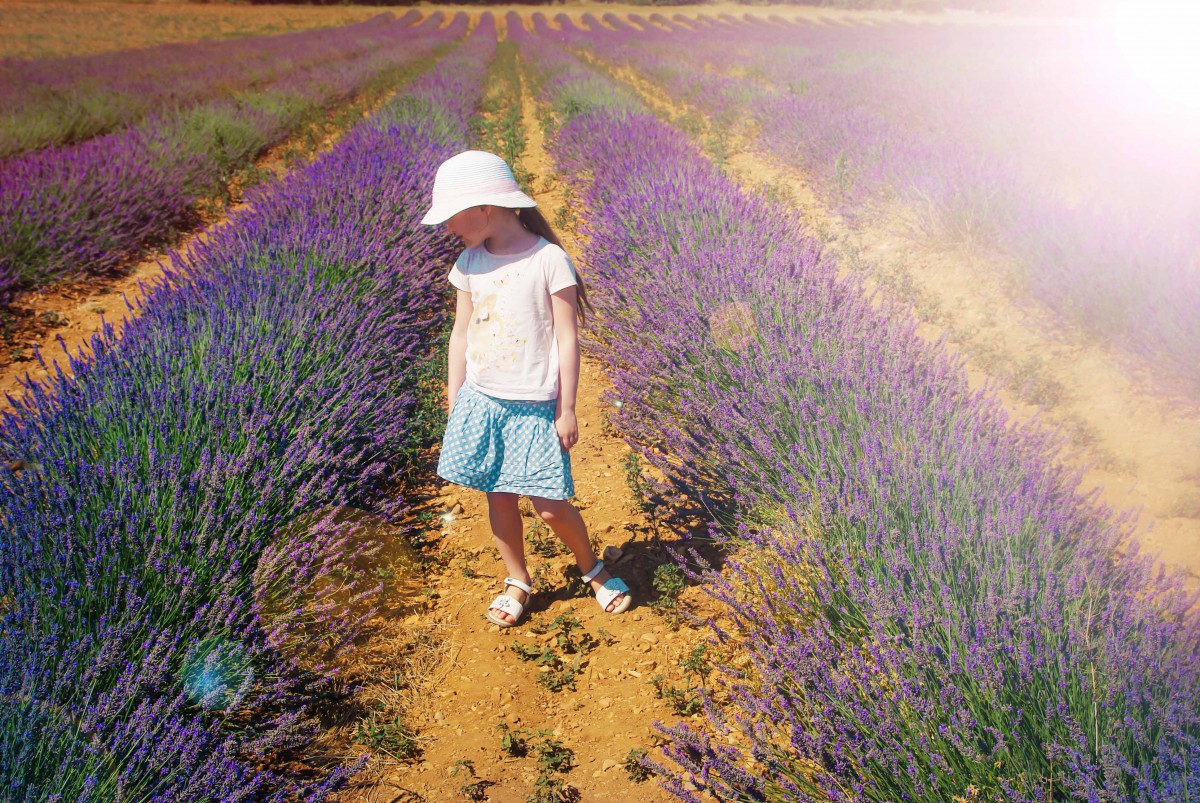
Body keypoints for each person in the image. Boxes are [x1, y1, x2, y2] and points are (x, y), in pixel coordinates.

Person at [420, 150, 632, 628]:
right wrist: (456, 398)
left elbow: (566, 337)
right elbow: (460, 333)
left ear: (485, 208)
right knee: (498, 499)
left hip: (534, 407)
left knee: (550, 507)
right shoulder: (468, 262)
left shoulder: (548, 259)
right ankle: (517, 579)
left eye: (453, 216)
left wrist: (567, 408)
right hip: (484, 400)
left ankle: (592, 569)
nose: (449, 227)